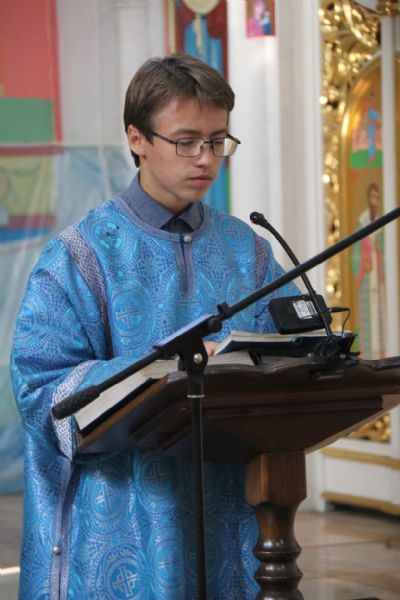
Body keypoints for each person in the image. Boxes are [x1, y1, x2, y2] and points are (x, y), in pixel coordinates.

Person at [11, 53, 299, 599]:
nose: (206, 158)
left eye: (218, 141)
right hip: (124, 512)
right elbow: (41, 387)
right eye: (186, 141)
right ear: (137, 138)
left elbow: (292, 352)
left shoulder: (248, 249)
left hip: (231, 507)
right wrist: (170, 370)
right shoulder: (79, 255)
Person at [351, 182, 385, 358]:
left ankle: (381, 353)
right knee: (367, 318)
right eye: (372, 197)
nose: (374, 201)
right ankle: (367, 353)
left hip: (378, 279)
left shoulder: (382, 222)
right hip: (366, 279)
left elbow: (386, 250)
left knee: (380, 317)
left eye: (377, 198)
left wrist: (378, 254)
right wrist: (364, 263)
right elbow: (355, 253)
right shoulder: (362, 222)